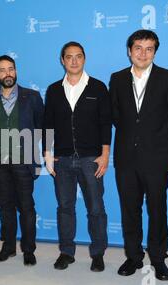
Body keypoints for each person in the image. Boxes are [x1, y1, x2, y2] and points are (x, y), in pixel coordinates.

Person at [109, 30, 168, 281]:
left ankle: (158, 259)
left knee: (157, 209)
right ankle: (133, 257)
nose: (143, 53)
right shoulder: (118, 79)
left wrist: (159, 142)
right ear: (129, 50)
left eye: (149, 48)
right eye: (138, 48)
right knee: (129, 210)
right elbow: (116, 116)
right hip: (126, 159)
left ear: (155, 51)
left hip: (157, 158)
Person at [44, 42, 111, 272]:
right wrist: (47, 152)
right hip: (61, 160)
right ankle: (66, 252)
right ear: (62, 60)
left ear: (84, 59)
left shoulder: (98, 88)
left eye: (78, 56)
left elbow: (105, 124)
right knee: (65, 207)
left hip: (91, 158)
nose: (74, 61)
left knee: (95, 207)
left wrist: (105, 155)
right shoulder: (53, 90)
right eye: (69, 57)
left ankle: (98, 252)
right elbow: (48, 123)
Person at [0, 55, 44, 266]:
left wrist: (43, 155)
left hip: (24, 161)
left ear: (16, 71)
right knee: (5, 206)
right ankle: (8, 247)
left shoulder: (33, 97)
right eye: (2, 70)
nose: (7, 73)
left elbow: (41, 128)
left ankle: (29, 250)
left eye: (11, 69)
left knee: (27, 207)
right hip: (0, 163)